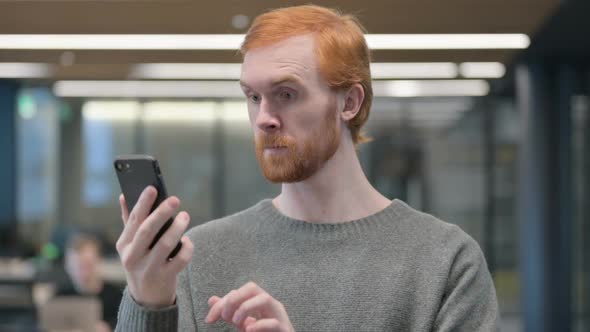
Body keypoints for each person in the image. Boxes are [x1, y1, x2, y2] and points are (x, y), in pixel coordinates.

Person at [115, 5, 499, 331]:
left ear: (349, 102)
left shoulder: (444, 261)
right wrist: (146, 302)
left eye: (286, 94)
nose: (264, 118)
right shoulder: (196, 258)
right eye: (253, 96)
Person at [56, 233, 123, 331]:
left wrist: (108, 328)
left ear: (98, 261)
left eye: (87, 265)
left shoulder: (116, 297)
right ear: (68, 266)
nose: (83, 272)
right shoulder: (59, 297)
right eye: (78, 266)